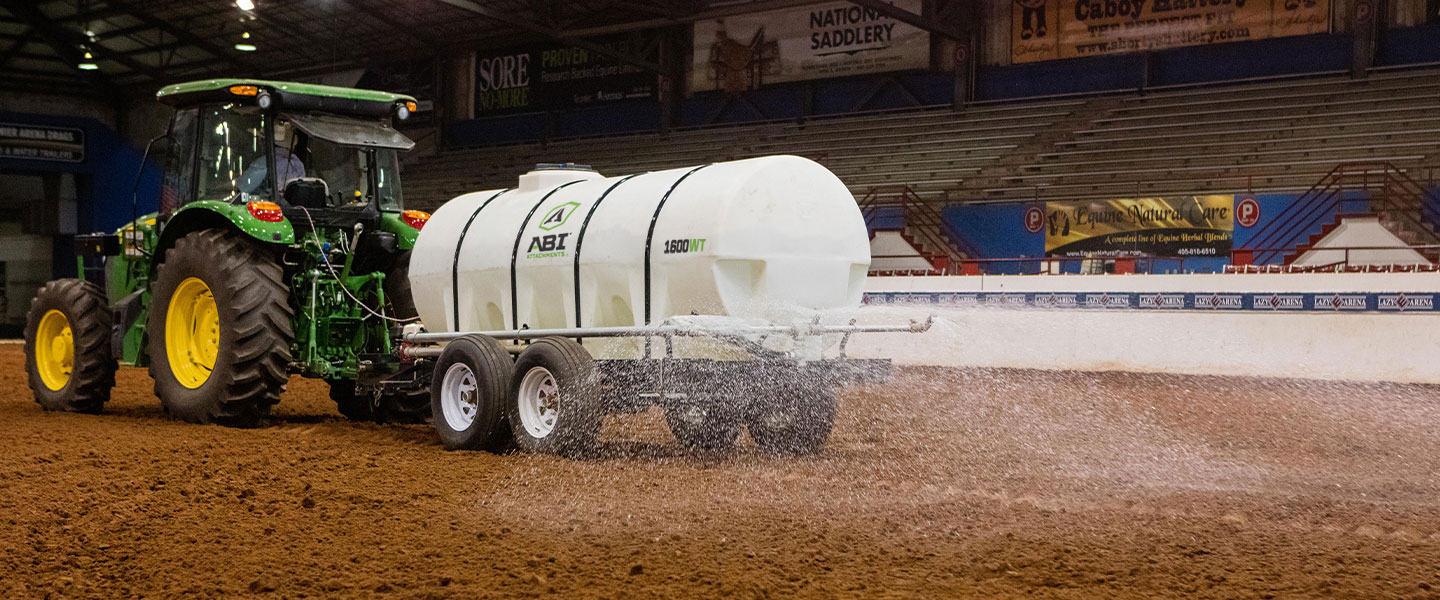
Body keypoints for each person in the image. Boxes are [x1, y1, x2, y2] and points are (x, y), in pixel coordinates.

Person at [236, 117, 305, 195]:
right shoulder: (298, 163)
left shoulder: (263, 162)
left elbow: (243, 187)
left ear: (264, 142)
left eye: (260, 140)